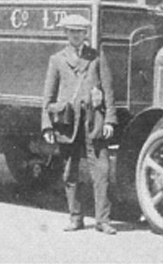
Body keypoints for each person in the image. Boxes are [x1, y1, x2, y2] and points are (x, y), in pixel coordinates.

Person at [41, 14, 118, 235]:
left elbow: (108, 90)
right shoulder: (57, 59)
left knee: (101, 172)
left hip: (94, 121)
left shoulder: (96, 57)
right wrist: (47, 125)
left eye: (80, 31)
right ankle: (76, 218)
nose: (76, 35)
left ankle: (103, 220)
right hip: (67, 123)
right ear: (66, 34)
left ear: (86, 34)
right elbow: (48, 95)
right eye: (72, 31)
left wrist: (110, 119)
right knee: (69, 172)